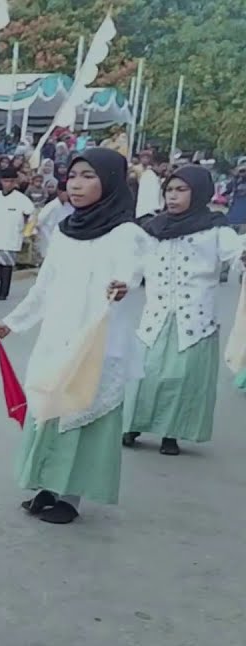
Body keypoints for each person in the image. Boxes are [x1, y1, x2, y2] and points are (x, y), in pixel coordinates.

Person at [0, 148, 145, 525]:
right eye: (73, 175)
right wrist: (13, 322)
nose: (76, 184)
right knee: (50, 410)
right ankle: (47, 484)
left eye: (88, 176)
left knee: (81, 414)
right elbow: (45, 287)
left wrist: (123, 285)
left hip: (95, 343)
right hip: (58, 337)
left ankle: (70, 497)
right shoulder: (65, 230)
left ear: (110, 181)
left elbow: (132, 269)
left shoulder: (125, 232)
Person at [124, 165, 245, 455]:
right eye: (169, 190)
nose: (173, 197)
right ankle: (132, 425)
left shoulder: (216, 228)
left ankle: (171, 434)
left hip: (195, 317)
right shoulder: (153, 229)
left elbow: (236, 253)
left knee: (180, 378)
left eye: (181, 190)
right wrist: (120, 283)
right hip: (157, 315)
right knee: (146, 373)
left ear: (199, 192)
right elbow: (134, 265)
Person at [0, 166, 35, 300]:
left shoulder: (21, 199)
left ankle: (3, 293)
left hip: (10, 237)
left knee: (5, 267)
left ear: (15, 182)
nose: (8, 184)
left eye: (11, 181)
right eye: (6, 181)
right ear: (1, 181)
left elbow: (32, 215)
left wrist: (27, 232)